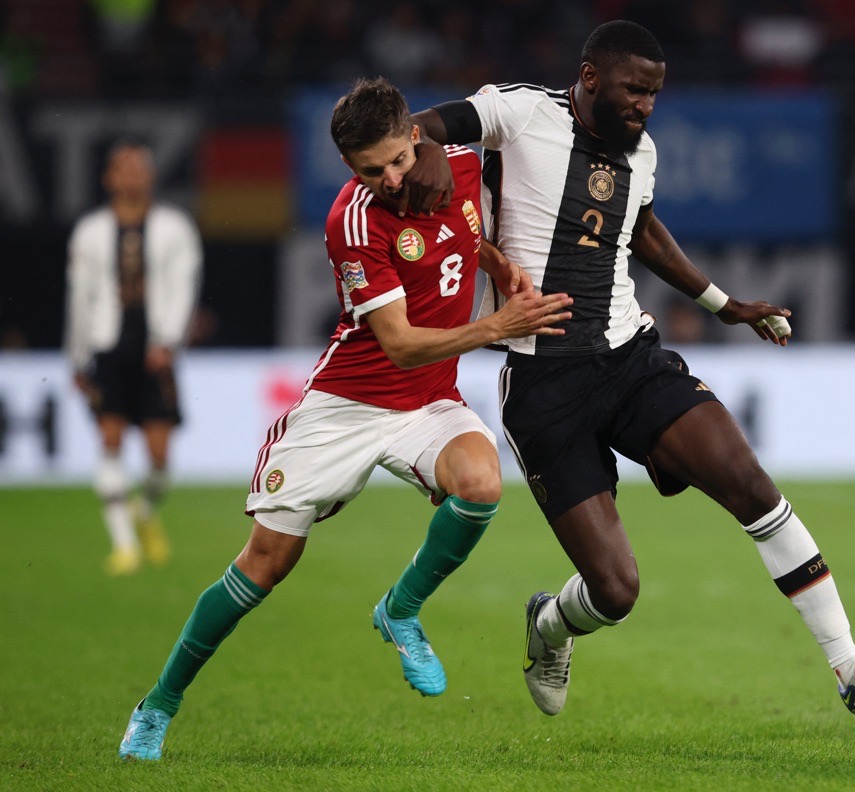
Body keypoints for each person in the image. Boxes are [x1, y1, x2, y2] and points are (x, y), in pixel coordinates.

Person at [402, 20, 855, 719]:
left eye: (655, 93)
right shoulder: (520, 110)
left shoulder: (640, 153)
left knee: (751, 486)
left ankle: (850, 668)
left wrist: (722, 303)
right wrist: (424, 146)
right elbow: (413, 126)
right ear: (590, 77)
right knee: (615, 592)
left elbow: (641, 228)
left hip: (629, 358)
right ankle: (550, 624)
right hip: (542, 383)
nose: (645, 105)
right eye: (634, 89)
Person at [117, 77, 572, 761]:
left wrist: (501, 265)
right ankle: (158, 705)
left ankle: (402, 609)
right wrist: (497, 325)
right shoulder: (352, 221)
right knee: (263, 567)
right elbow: (399, 341)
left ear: (416, 133)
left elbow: (465, 238)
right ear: (347, 168)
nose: (388, 179)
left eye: (395, 160)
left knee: (481, 484)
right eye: (370, 170)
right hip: (348, 405)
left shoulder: (465, 165)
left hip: (428, 400)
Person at [65, 139, 203, 576]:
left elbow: (185, 288)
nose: (132, 177)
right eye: (123, 169)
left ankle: (144, 512)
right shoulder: (89, 231)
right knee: (109, 441)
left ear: (150, 176)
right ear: (109, 178)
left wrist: (170, 341)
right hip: (108, 346)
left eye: (139, 169)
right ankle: (123, 544)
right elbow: (79, 299)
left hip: (154, 349)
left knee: (159, 457)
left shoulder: (174, 227)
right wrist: (78, 357)